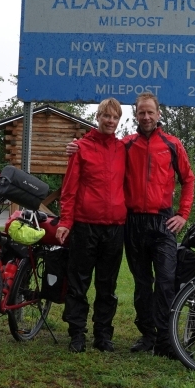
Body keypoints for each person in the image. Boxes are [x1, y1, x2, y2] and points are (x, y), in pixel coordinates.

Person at [66, 92, 195, 358]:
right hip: (132, 222)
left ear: (159, 114)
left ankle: (165, 340)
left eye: (150, 112)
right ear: (136, 115)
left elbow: (188, 179)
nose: (146, 117)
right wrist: (74, 147)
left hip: (162, 221)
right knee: (141, 283)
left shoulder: (172, 144)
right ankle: (147, 335)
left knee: (166, 281)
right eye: (141, 112)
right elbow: (99, 148)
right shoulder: (125, 144)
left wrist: (183, 214)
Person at [55, 98, 127, 353]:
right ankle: (76, 333)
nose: (110, 121)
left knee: (107, 285)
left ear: (119, 120)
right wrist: (65, 222)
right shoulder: (81, 148)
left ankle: (103, 335)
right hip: (86, 225)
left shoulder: (123, 149)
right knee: (79, 282)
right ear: (98, 117)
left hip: (115, 226)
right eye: (106, 116)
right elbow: (69, 189)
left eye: (115, 117)